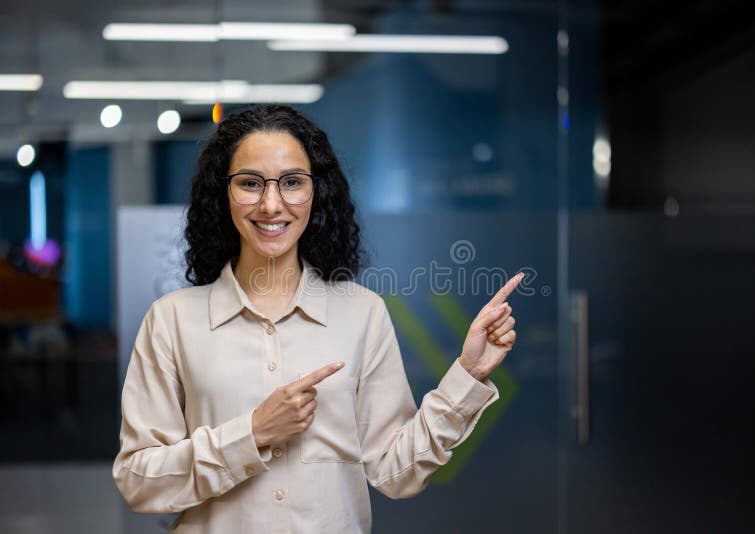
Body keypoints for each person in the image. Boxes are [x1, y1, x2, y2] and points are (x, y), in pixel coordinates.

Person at [112, 104, 522, 533]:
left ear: (317, 193)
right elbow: (139, 481)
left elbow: (396, 473)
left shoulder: (361, 313)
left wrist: (469, 374)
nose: (272, 204)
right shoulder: (172, 320)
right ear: (223, 194)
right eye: (251, 183)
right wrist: (250, 435)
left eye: (292, 183)